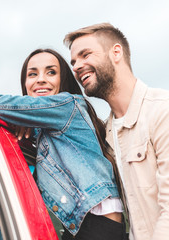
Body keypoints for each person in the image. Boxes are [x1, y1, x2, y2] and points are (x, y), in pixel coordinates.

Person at [0, 48, 126, 240]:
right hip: (82, 224)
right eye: (32, 74)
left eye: (51, 72)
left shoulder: (67, 104)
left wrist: (22, 117)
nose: (41, 79)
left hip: (97, 223)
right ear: (25, 83)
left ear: (63, 80)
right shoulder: (44, 128)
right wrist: (24, 122)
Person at [64, 23, 169, 240]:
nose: (76, 66)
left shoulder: (161, 110)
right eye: (73, 61)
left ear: (116, 52)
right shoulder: (106, 134)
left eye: (85, 55)